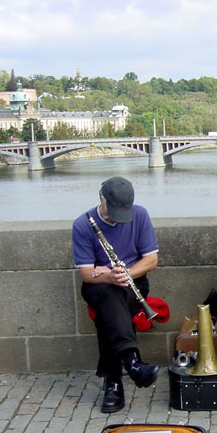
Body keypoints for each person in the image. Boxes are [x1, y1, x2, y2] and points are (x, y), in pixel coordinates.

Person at [72, 176, 161, 413]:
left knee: (108, 314)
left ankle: (113, 382)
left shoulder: (140, 215)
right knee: (108, 296)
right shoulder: (83, 224)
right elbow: (86, 274)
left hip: (134, 282)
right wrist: (108, 277)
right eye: (113, 211)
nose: (117, 217)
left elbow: (151, 260)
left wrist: (126, 273)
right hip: (99, 285)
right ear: (101, 198)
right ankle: (133, 363)